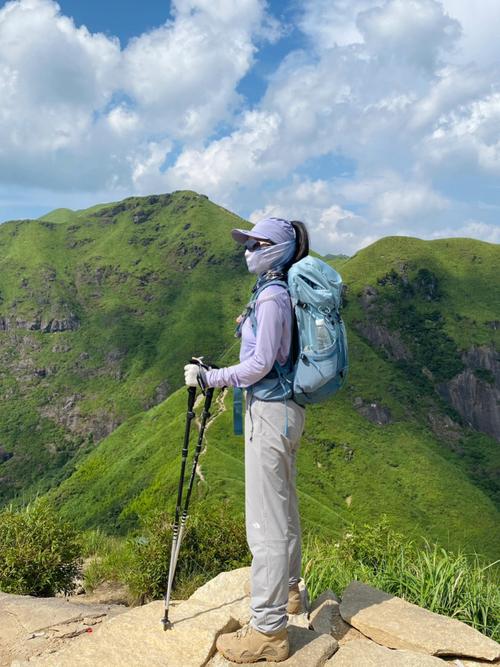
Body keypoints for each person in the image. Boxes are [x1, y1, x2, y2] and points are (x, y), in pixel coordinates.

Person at [184, 217, 309, 663]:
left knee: (265, 523)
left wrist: (210, 378)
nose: (247, 250)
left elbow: (257, 367)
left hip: (271, 413)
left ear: (276, 248)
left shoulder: (274, 296)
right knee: (284, 507)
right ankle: (291, 593)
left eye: (255, 244)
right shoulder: (276, 291)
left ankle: (269, 631)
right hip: (285, 412)